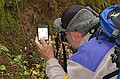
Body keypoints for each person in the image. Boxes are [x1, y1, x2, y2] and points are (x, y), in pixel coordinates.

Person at [35, 4, 119, 79]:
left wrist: (50, 58)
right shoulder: (111, 33)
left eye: (65, 35)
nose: (66, 40)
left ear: (75, 35)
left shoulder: (85, 59)